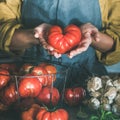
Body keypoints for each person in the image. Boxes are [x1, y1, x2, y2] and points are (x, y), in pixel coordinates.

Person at [0, 0, 120, 86]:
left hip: (91, 86)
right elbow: (2, 32)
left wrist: (92, 38)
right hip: (32, 85)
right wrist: (34, 35)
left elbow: (117, 44)